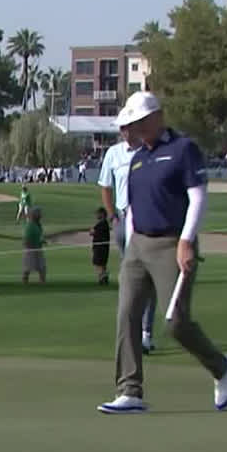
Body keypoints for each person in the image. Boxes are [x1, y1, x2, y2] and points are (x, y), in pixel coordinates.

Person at [100, 91, 227, 415]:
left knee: (176, 322)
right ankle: (129, 390)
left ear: (155, 118)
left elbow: (198, 198)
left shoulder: (182, 150)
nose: (131, 131)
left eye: (136, 124)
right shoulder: (136, 159)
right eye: (129, 125)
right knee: (127, 315)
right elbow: (132, 209)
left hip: (171, 244)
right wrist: (129, 247)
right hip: (138, 245)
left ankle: (221, 367)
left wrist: (187, 242)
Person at [98, 125, 156, 352]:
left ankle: (145, 333)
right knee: (130, 279)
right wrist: (112, 215)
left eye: (127, 128)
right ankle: (130, 331)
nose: (124, 132)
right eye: (121, 129)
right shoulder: (114, 153)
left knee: (148, 278)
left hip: (146, 217)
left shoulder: (150, 151)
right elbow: (105, 186)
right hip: (123, 219)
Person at [91, 207, 111, 285]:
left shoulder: (101, 224)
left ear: (102, 214)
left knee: (98, 263)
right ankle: (103, 276)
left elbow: (92, 232)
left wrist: (92, 231)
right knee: (102, 263)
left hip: (100, 247)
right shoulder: (104, 224)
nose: (96, 215)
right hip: (103, 247)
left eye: (97, 213)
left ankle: (102, 277)